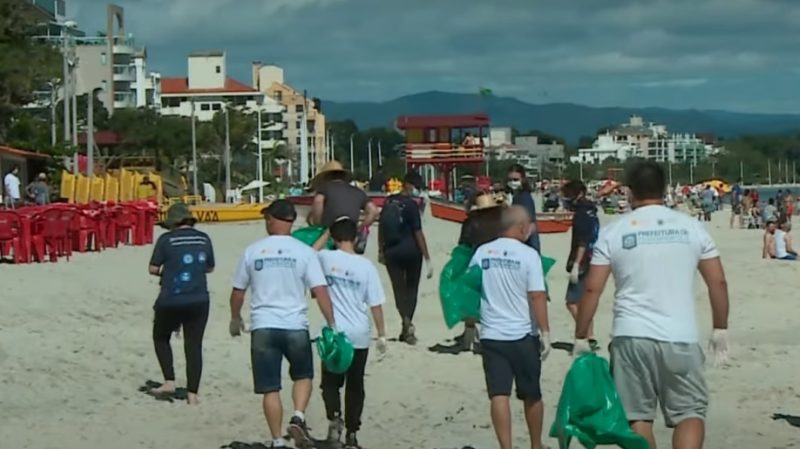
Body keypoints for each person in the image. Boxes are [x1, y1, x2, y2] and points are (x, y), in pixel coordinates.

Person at [574, 160, 730, 449]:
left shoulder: (614, 230)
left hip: (630, 336)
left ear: (630, 193)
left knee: (637, 418)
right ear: (666, 189)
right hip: (680, 336)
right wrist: (720, 328)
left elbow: (593, 287)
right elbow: (717, 283)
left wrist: (581, 334)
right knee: (690, 413)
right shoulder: (691, 227)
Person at [230, 199, 337, 449]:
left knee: (270, 388)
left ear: (273, 220)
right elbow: (320, 291)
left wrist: (236, 318)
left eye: (267, 218)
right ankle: (298, 416)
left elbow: (238, 292)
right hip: (295, 325)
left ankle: (277, 440)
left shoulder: (253, 250)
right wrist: (332, 322)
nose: (265, 222)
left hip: (263, 327)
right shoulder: (304, 252)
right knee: (303, 376)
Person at [470, 205, 551, 449]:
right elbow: (537, 295)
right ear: (521, 227)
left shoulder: (483, 252)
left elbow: (469, 288)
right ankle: (535, 444)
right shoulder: (528, 255)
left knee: (499, 394)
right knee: (532, 395)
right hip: (522, 335)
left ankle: (506, 447)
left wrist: (471, 322)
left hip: (492, 334)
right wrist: (545, 331)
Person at [318, 216, 387, 449]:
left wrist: (326, 233)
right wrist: (382, 334)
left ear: (335, 237)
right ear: (356, 238)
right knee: (355, 385)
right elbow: (375, 304)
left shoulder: (325, 258)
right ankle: (352, 432)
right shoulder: (366, 266)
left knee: (330, 382)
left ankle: (334, 418)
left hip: (335, 333)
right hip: (359, 333)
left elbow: (309, 253)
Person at [147, 203, 214, 405]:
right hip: (199, 298)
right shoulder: (204, 238)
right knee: (193, 345)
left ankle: (169, 380)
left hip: (171, 298)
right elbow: (209, 267)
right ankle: (192, 394)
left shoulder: (166, 240)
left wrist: (169, 272)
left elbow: (152, 268)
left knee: (160, 336)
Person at [378, 171, 433, 345]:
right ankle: (408, 322)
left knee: (398, 289)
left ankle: (405, 320)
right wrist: (427, 257)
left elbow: (381, 228)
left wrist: (381, 250)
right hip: (411, 252)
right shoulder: (411, 206)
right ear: (410, 185)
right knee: (411, 289)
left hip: (392, 252)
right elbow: (418, 233)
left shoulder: (388, 202)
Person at [560, 179, 600, 348]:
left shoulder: (582, 214)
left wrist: (576, 264)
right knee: (584, 300)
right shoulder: (591, 211)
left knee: (572, 301)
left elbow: (582, 241)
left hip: (583, 260)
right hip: (594, 257)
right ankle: (590, 335)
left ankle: (584, 332)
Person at [310, 160, 379, 254]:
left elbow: (318, 202)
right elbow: (373, 210)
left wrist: (317, 224)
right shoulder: (357, 191)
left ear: (326, 177)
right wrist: (360, 227)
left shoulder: (325, 188)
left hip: (329, 233)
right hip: (349, 235)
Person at [506, 164, 541, 252]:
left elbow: (531, 223)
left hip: (526, 244)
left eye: (516, 179)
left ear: (523, 179)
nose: (513, 182)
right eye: (510, 179)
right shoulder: (512, 196)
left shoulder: (524, 197)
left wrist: (523, 238)